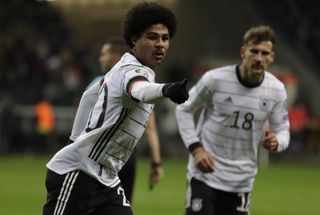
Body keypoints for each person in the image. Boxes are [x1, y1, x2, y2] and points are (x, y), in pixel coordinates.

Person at [42, 2, 189, 215]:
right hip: (79, 173)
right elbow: (139, 90)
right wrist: (167, 90)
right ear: (134, 39)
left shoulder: (127, 69)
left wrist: (74, 139)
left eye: (165, 38)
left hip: (106, 179)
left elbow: (89, 96)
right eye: (152, 37)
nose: (160, 44)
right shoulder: (131, 70)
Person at [175, 25, 290, 215]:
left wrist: (277, 142)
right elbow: (184, 108)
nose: (259, 58)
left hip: (241, 181)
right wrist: (196, 149)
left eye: (264, 53)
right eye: (254, 51)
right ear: (243, 52)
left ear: (272, 57)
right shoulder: (214, 79)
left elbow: (283, 130)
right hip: (205, 175)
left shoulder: (276, 90)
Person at [68, 37, 164, 203]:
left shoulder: (99, 83)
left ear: (116, 56)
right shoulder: (141, 82)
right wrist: (156, 163)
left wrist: (74, 143)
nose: (100, 58)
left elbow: (83, 116)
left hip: (96, 153)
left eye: (103, 54)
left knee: (87, 205)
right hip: (126, 153)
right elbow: (151, 127)